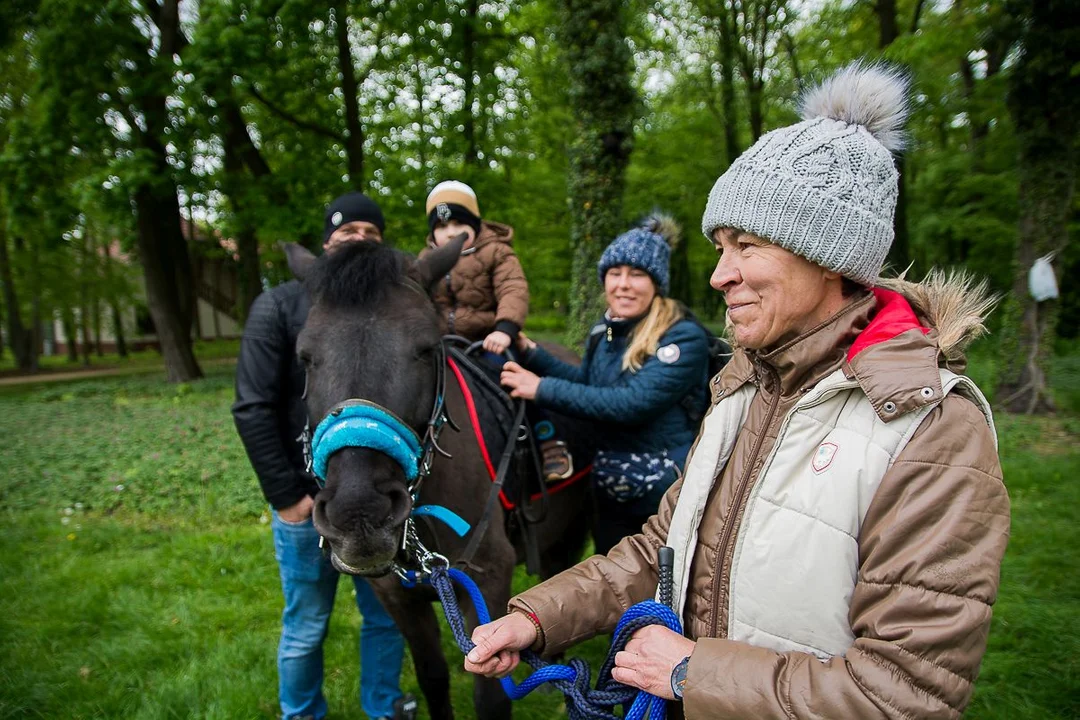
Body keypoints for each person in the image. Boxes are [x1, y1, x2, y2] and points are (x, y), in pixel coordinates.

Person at [464, 63, 1010, 719]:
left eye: (745, 245)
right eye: (720, 246)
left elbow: (906, 695)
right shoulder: (743, 394)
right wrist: (535, 617)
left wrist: (692, 673)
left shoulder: (933, 433)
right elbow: (656, 551)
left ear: (829, 255)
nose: (721, 275)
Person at [232, 192, 416, 720]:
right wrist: (288, 496)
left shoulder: (389, 310)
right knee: (307, 622)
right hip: (305, 500)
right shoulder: (279, 306)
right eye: (346, 231)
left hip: (371, 495)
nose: (358, 240)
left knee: (385, 617)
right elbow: (253, 407)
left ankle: (383, 707)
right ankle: (302, 713)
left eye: (370, 234)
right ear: (325, 241)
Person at [499, 214, 710, 554]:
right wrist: (534, 354)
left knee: (660, 590)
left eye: (637, 274)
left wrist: (540, 388)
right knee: (614, 585)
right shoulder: (607, 330)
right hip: (609, 487)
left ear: (657, 283)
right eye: (615, 273)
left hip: (662, 493)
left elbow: (631, 404)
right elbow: (588, 384)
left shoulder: (682, 337)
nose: (623, 284)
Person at [421, 180, 528, 355]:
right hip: (439, 340)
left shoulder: (496, 252)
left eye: (459, 223)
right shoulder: (426, 259)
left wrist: (505, 329)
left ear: (474, 224)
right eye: (442, 226)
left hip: (488, 340)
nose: (451, 233)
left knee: (501, 375)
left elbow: (513, 288)